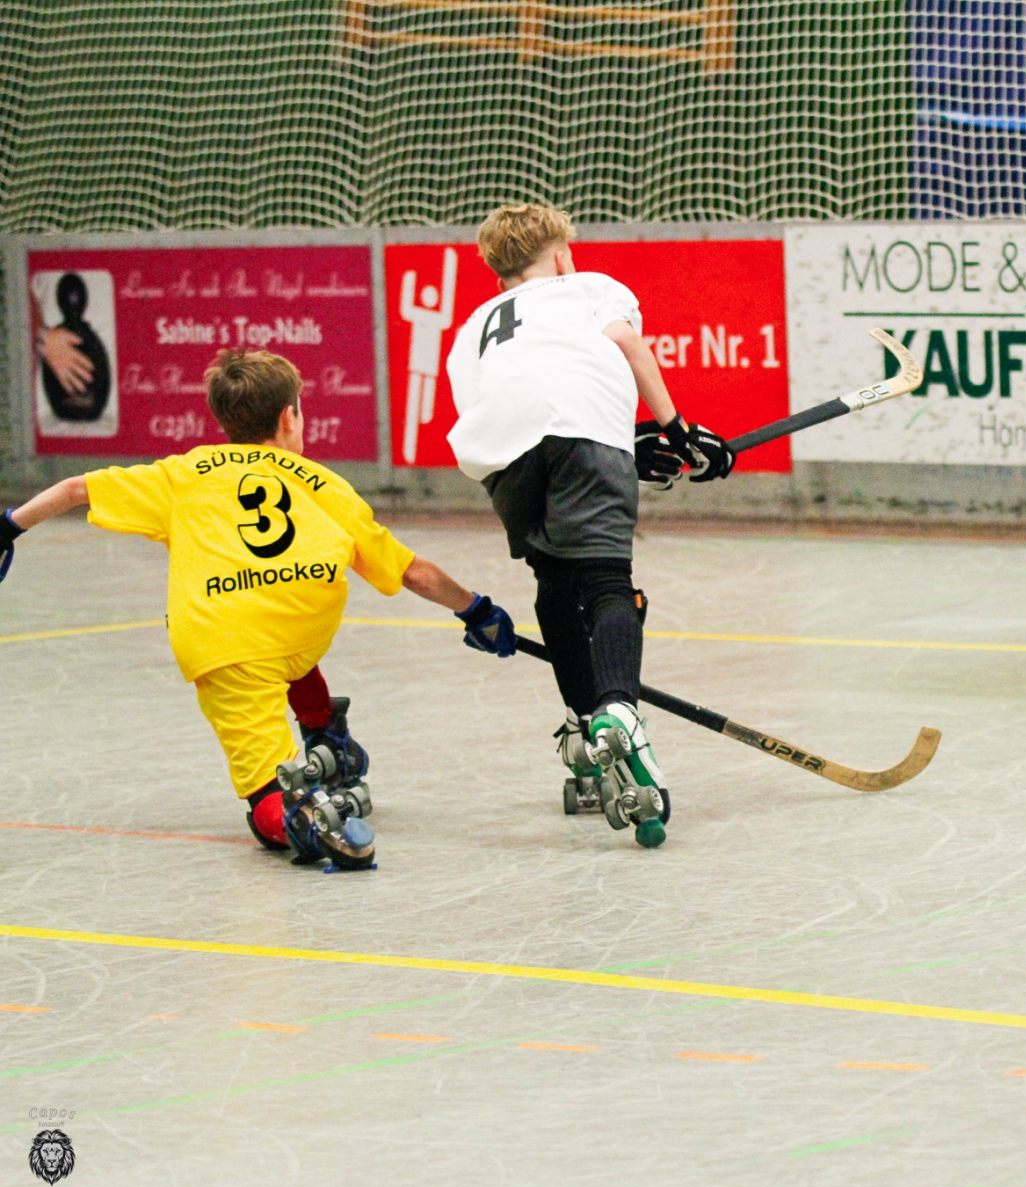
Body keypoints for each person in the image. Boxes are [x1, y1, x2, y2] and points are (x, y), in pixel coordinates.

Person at [0, 347, 516, 869]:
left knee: (268, 782)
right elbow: (413, 571)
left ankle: (301, 812)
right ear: (290, 416)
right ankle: (322, 744)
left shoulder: (184, 474)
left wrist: (8, 528)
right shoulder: (324, 484)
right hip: (296, 630)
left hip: (227, 646)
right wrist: (475, 610)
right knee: (285, 654)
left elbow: (75, 489)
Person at [444, 202, 735, 848]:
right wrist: (677, 433)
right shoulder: (588, 286)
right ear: (560, 257)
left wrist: (622, 449)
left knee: (554, 581)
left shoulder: (474, 327)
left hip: (503, 459)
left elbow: (516, 406)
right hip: (580, 433)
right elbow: (626, 345)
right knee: (606, 585)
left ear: (498, 274)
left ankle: (583, 726)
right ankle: (619, 713)